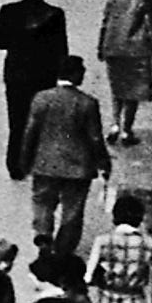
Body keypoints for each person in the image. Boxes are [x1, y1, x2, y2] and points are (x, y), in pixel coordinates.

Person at [22, 56, 111, 255]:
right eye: (82, 71)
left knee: (43, 200)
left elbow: (30, 131)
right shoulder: (87, 103)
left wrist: (25, 160)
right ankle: (64, 248)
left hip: (46, 162)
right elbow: (95, 138)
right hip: (79, 166)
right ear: (74, 74)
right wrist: (103, 162)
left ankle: (43, 234)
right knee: (73, 209)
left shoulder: (41, 98)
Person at [0, 0, 70, 181]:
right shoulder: (55, 15)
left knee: (16, 121)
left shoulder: (8, 11)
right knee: (40, 121)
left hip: (16, 73)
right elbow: (62, 50)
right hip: (43, 74)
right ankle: (35, 161)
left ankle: (15, 163)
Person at [99, 0, 152, 144]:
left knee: (117, 89)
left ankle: (114, 123)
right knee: (133, 92)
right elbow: (149, 25)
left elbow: (105, 21)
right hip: (137, 49)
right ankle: (127, 130)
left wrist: (101, 45)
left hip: (113, 46)